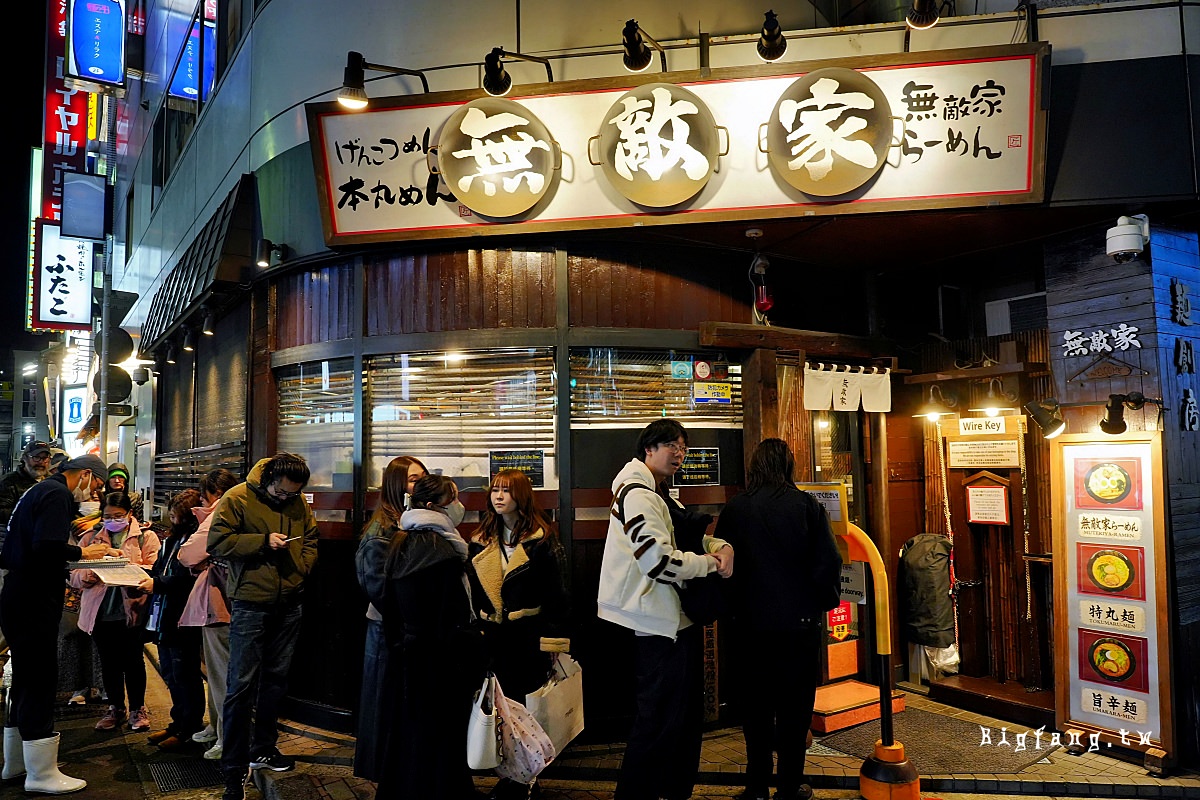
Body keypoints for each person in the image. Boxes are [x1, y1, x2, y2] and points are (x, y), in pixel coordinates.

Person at [597, 419, 734, 800]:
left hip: (673, 621)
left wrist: (720, 546)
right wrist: (711, 564)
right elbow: (658, 563)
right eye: (670, 444)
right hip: (657, 626)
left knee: (680, 720)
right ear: (649, 449)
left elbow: (684, 536)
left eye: (683, 447)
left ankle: (672, 791)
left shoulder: (660, 493)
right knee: (657, 722)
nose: (679, 453)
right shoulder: (638, 494)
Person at [714, 438, 842, 800]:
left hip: (748, 629)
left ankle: (755, 788)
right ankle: (789, 787)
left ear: (755, 467)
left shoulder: (736, 508)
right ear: (788, 466)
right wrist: (817, 602)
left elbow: (722, 566)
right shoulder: (806, 506)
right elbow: (828, 564)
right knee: (794, 711)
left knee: (754, 711)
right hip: (797, 629)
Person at [207, 453, 319, 800]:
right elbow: (217, 543)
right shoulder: (238, 497)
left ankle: (264, 749)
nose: (288, 498)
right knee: (240, 686)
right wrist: (261, 542)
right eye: (282, 493)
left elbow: (311, 538)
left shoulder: (298, 501)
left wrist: (301, 569)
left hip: (290, 603)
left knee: (275, 681)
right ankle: (233, 771)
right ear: (269, 479)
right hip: (251, 603)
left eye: (294, 494)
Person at [0, 453, 111, 793]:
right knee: (39, 679)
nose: (93, 494)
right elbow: (47, 546)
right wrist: (83, 555)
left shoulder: (39, 490)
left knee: (25, 679)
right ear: (86, 476)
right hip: (34, 597)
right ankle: (42, 774)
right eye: (97, 486)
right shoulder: (57, 493)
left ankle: (17, 764)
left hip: (18, 592)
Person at [371, 474, 482, 800]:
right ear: (434, 506)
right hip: (439, 662)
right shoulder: (442, 550)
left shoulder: (402, 541)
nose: (459, 505)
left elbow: (388, 604)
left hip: (408, 656)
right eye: (454, 498)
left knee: (410, 736)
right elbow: (453, 616)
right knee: (441, 739)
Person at [468, 468, 571, 800]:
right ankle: (511, 775)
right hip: (492, 640)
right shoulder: (481, 539)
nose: (498, 496)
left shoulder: (541, 540)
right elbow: (472, 593)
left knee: (525, 713)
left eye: (506, 491)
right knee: (499, 712)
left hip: (527, 640)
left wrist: (553, 644)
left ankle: (525, 778)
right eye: (495, 490)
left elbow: (558, 596)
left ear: (521, 496)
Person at [352, 455, 427, 781]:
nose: (419, 484)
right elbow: (378, 588)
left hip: (405, 628)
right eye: (413, 479)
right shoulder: (383, 528)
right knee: (382, 702)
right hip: (388, 628)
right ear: (396, 484)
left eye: (422, 478)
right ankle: (381, 770)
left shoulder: (412, 520)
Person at [71, 492, 160, 734]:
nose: (113, 520)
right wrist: (93, 573)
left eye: (118, 516)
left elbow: (155, 570)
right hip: (100, 613)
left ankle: (137, 709)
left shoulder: (145, 537)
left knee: (133, 661)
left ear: (130, 514)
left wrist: (130, 571)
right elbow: (74, 576)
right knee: (108, 663)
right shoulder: (90, 538)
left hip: (133, 611)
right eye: (108, 516)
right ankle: (115, 708)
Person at [177, 467, 240, 761]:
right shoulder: (239, 509)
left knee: (222, 675)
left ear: (213, 494)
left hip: (222, 604)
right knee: (217, 673)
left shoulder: (220, 514)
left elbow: (187, 554)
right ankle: (217, 728)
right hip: (225, 602)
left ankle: (227, 738)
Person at [138, 489, 205, 750]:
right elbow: (158, 569)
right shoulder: (170, 540)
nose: (172, 521)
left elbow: (189, 580)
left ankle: (189, 727)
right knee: (170, 672)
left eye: (177, 517)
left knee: (185, 674)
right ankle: (177, 723)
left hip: (182, 618)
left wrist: (158, 583)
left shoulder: (194, 543)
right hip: (162, 616)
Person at [0, 441, 51, 669]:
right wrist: (32, 513)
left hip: (35, 557)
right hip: (9, 554)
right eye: (36, 457)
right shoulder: (10, 483)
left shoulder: (48, 483)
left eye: (45, 457)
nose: (41, 462)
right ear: (25, 458)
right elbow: (2, 512)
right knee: (7, 607)